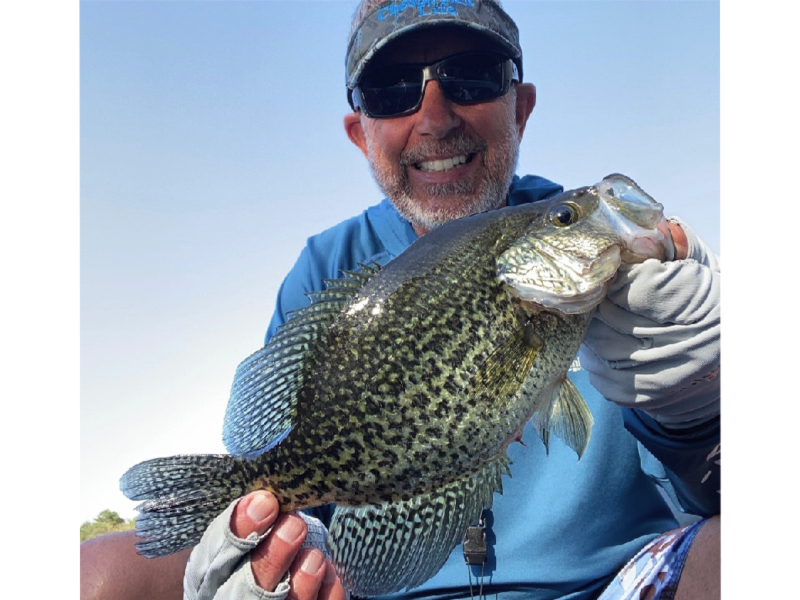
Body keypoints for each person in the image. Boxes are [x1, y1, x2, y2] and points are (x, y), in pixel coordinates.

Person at [80, 1, 720, 600]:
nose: (436, 118)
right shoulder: (327, 268)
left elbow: (716, 488)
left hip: (616, 582)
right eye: (392, 89)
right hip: (385, 584)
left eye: (470, 76)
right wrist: (287, 552)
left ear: (520, 108)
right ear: (361, 132)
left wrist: (700, 405)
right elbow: (290, 470)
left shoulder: (633, 270)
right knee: (95, 572)